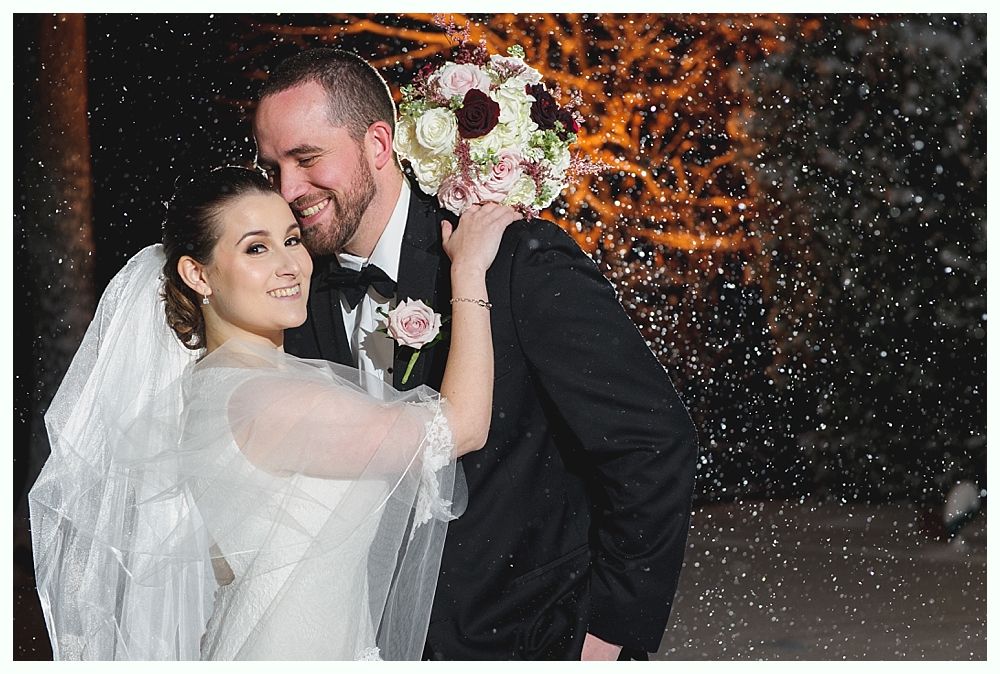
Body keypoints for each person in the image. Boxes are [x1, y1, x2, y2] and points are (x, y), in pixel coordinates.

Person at [253, 48, 699, 660]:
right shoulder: (296, 293)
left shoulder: (515, 260)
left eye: (307, 160)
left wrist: (611, 632)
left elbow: (653, 442)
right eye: (272, 166)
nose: (288, 189)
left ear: (378, 145)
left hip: (537, 641)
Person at [28, 166, 520, 660]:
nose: (291, 265)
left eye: (292, 239)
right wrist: (469, 271)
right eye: (256, 249)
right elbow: (462, 427)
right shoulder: (267, 400)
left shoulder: (212, 385)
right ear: (197, 274)